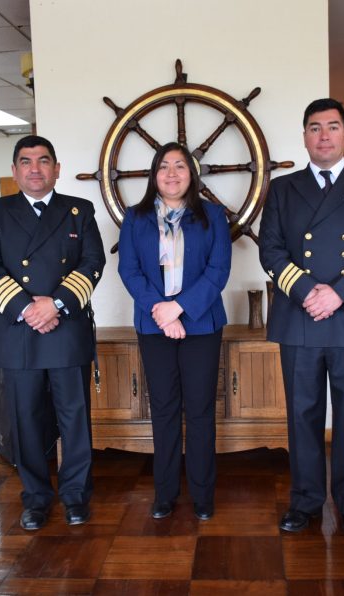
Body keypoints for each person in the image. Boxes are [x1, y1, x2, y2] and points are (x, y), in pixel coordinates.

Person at [258, 98, 344, 537]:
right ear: (304, 136)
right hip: (300, 316)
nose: (324, 135)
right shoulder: (283, 189)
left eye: (333, 126)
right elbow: (271, 250)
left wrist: (338, 294)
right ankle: (305, 502)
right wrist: (306, 292)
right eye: (315, 127)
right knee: (302, 415)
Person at [0, 135, 105, 530]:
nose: (35, 168)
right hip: (19, 332)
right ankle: (35, 497)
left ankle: (76, 496)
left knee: (74, 419)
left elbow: (92, 263)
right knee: (25, 420)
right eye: (26, 161)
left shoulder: (79, 210)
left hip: (65, 329)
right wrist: (28, 309)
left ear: (57, 169)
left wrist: (57, 304)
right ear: (15, 171)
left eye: (44, 161)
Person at [118, 141, 231, 521]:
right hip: (154, 326)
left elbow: (218, 271)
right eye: (163, 166)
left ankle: (203, 495)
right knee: (164, 410)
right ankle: (165, 494)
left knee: (200, 411)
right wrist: (162, 313)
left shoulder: (213, 216)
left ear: (191, 174)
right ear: (154, 175)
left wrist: (179, 308)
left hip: (202, 325)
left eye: (180, 166)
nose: (171, 173)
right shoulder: (135, 218)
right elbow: (129, 271)